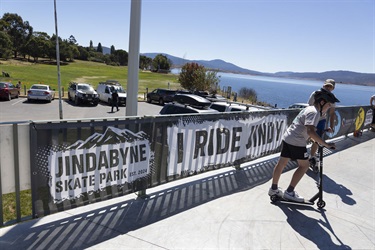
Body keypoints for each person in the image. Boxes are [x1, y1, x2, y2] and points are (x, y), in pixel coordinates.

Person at [268, 90, 339, 202]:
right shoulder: (314, 112)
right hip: (297, 141)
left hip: (288, 137)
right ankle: (289, 192)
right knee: (304, 166)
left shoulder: (309, 108)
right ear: (322, 102)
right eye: (329, 105)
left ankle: (274, 189)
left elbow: (307, 128)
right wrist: (326, 144)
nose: (329, 108)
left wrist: (321, 131)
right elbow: (310, 132)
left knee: (282, 163)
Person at [307, 79, 337, 167]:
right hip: (311, 119)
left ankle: (312, 157)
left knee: (317, 139)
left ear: (333, 88)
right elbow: (309, 107)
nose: (328, 88)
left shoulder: (332, 98)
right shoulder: (315, 94)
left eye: (330, 86)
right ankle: (299, 154)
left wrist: (331, 126)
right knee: (306, 136)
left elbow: (332, 113)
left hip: (321, 120)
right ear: (323, 85)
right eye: (326, 85)